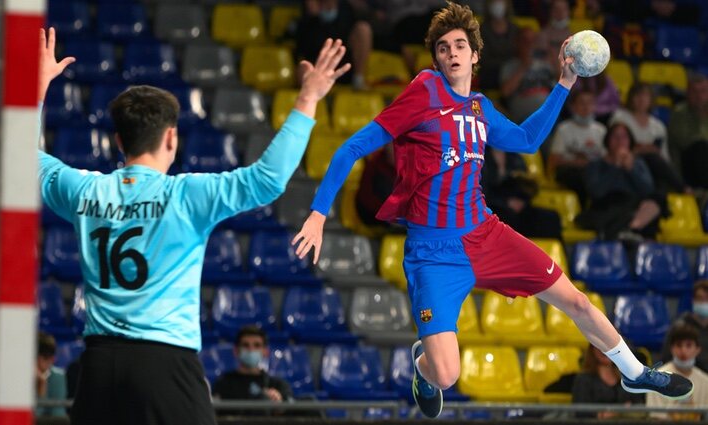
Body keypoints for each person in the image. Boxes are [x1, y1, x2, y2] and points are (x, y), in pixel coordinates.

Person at [291, 3, 692, 419]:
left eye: (460, 45)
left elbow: (526, 140)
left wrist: (564, 83)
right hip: (434, 252)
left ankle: (634, 371)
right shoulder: (424, 91)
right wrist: (319, 214)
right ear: (436, 58)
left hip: (486, 233)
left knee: (575, 300)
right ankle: (423, 367)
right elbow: (351, 148)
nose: (452, 53)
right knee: (447, 374)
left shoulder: (480, 107)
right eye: (443, 47)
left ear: (475, 55)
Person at [36, 27, 350, 425]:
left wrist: (38, 89)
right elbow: (267, 180)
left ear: (118, 141)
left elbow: (26, 160)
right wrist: (308, 98)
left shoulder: (85, 191)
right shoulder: (186, 195)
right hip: (163, 362)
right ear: (171, 138)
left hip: (98, 367)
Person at [576, 123, 665, 242]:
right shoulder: (595, 165)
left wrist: (631, 170)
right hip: (607, 207)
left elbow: (648, 190)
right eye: (615, 137)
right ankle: (626, 231)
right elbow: (596, 192)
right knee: (627, 208)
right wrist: (616, 167)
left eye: (624, 137)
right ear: (607, 140)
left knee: (657, 199)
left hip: (634, 208)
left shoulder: (637, 164)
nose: (620, 141)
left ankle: (631, 229)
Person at [609, 83, 686, 194]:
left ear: (651, 99)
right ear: (631, 98)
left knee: (655, 163)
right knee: (651, 157)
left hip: (652, 168)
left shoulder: (658, 126)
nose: (641, 100)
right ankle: (683, 189)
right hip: (625, 164)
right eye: (638, 95)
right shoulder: (620, 117)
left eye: (645, 96)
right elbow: (611, 146)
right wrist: (640, 150)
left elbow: (664, 156)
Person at [482, 146, 563, 240]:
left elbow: (526, 186)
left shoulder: (515, 158)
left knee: (550, 217)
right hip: (492, 205)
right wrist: (505, 203)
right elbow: (481, 191)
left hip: (519, 203)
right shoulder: (480, 159)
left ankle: (552, 252)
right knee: (508, 218)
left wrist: (522, 202)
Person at [213, 326, 293, 413]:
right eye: (245, 345)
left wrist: (278, 405)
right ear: (236, 351)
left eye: (257, 345)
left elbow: (290, 410)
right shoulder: (223, 385)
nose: (251, 350)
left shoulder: (278, 385)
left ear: (265, 351)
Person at [294, 0, 371, 90]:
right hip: (317, 65)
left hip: (344, 65)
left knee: (363, 29)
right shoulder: (308, 15)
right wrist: (313, 18)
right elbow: (302, 48)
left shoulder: (347, 9)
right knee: (302, 70)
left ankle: (358, 80)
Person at [548, 89, 607, 203]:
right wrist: (576, 162)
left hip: (594, 171)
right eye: (582, 103)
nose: (586, 107)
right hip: (570, 172)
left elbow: (606, 158)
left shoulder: (601, 130)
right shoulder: (563, 129)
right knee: (582, 177)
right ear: (573, 106)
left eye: (589, 103)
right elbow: (553, 161)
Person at [647, 324, 708, 421]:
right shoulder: (656, 379)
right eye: (679, 345)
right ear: (671, 348)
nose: (683, 350)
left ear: (697, 350)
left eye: (688, 345)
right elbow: (656, 418)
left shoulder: (705, 381)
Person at [572, 343, 645, 419]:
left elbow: (637, 404)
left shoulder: (626, 376)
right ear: (592, 349)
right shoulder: (583, 379)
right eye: (600, 346)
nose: (605, 350)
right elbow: (581, 413)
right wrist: (617, 412)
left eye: (609, 346)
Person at [500, 27, 557, 122]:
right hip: (523, 113)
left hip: (548, 113)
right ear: (517, 43)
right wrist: (524, 66)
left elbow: (560, 86)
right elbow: (505, 92)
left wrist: (556, 60)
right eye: (525, 41)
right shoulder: (510, 66)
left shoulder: (546, 64)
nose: (529, 45)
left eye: (532, 41)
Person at [668, 73, 708, 188]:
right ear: (688, 93)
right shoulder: (679, 113)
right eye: (695, 92)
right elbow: (684, 142)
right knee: (701, 147)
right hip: (687, 166)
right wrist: (700, 117)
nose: (699, 96)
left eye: (703, 91)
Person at [660, 280, 708, 372]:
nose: (704, 303)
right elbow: (666, 358)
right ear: (693, 300)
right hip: (683, 376)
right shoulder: (680, 327)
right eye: (701, 298)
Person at [478, 0, 518, 90]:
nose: (498, 4)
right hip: (491, 73)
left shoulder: (514, 29)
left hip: (512, 71)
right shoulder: (482, 30)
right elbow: (483, 59)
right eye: (494, 2)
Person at [35, 332, 67, 418]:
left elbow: (58, 418)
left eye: (46, 358)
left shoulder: (57, 377)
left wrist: (42, 386)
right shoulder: (18, 378)